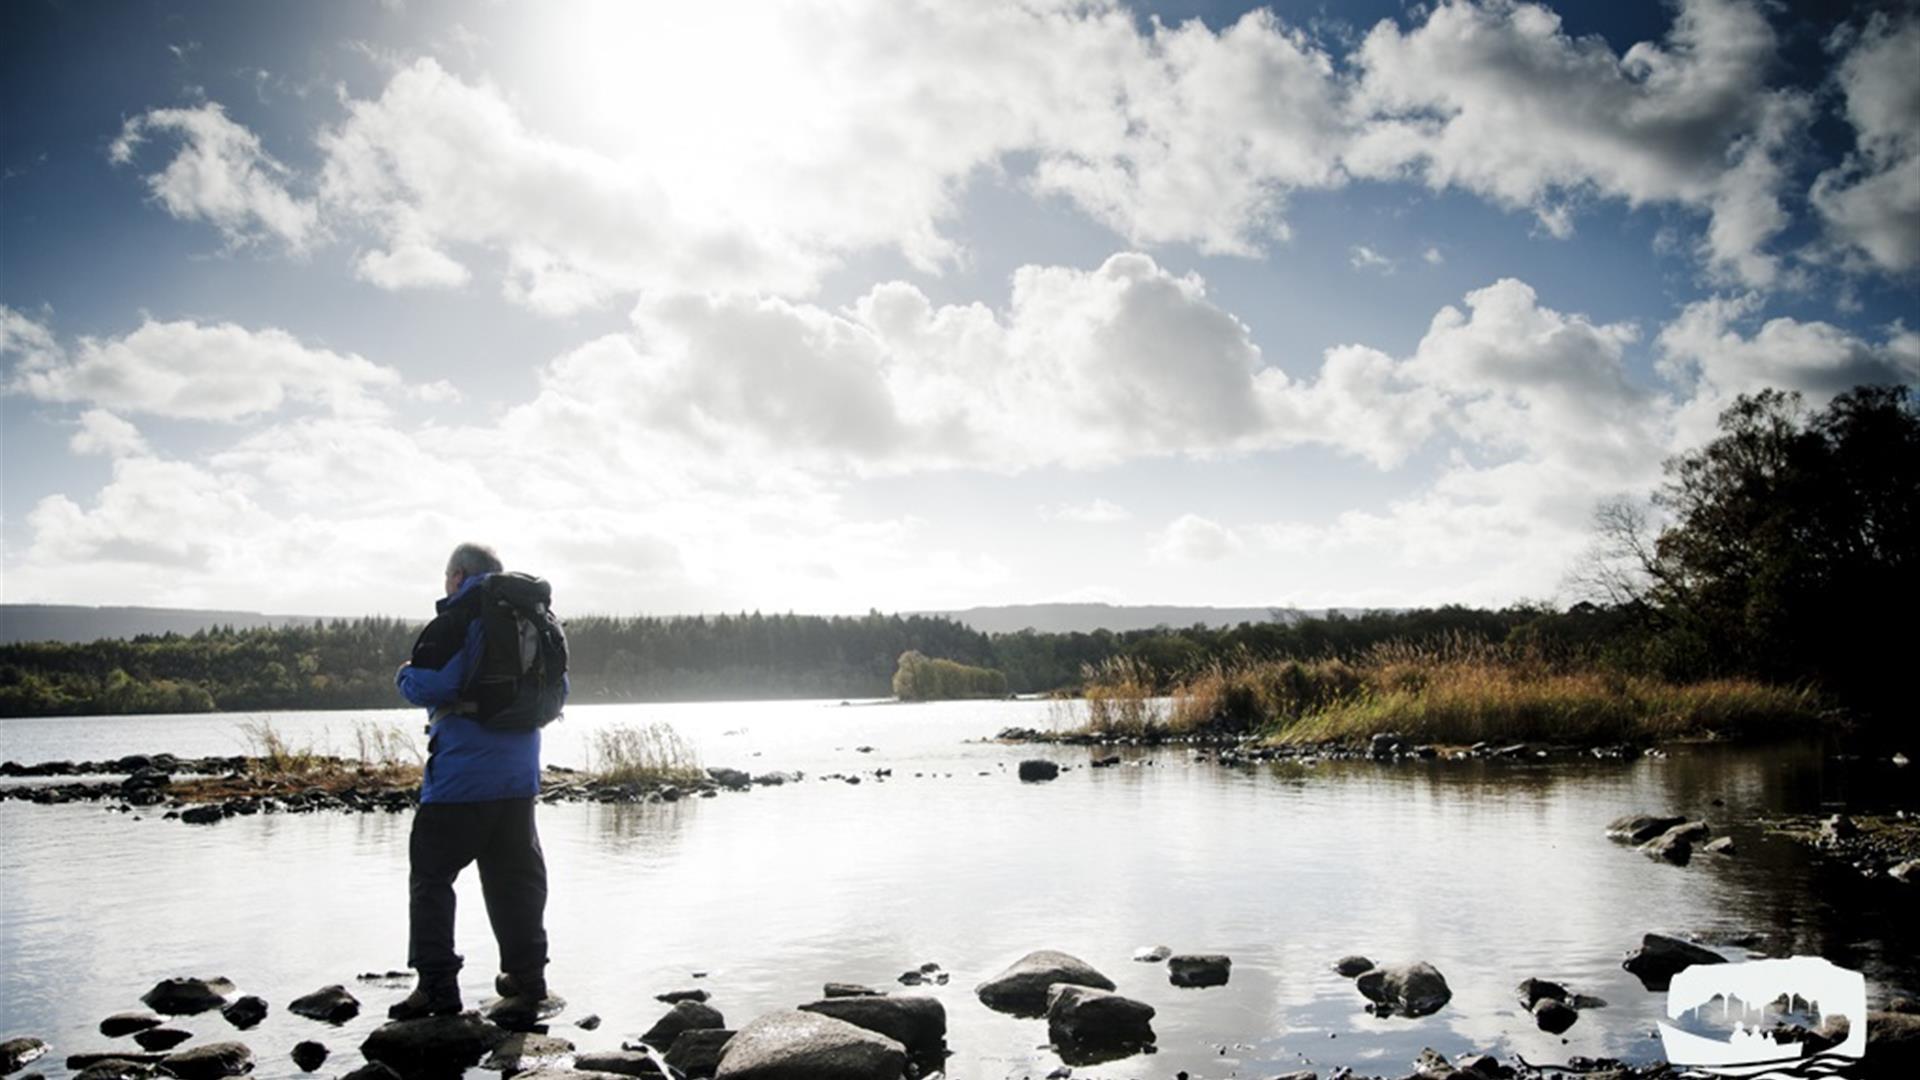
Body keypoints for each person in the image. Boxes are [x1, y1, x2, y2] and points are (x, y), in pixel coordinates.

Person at [389, 542, 551, 1020]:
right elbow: (557, 690)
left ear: (458, 575)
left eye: (446, 576)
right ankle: (527, 979)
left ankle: (437, 987)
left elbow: (432, 684)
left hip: (460, 779)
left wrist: (403, 676)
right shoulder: (538, 620)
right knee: (515, 880)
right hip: (519, 778)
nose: (445, 584)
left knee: (432, 877)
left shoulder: (458, 619)